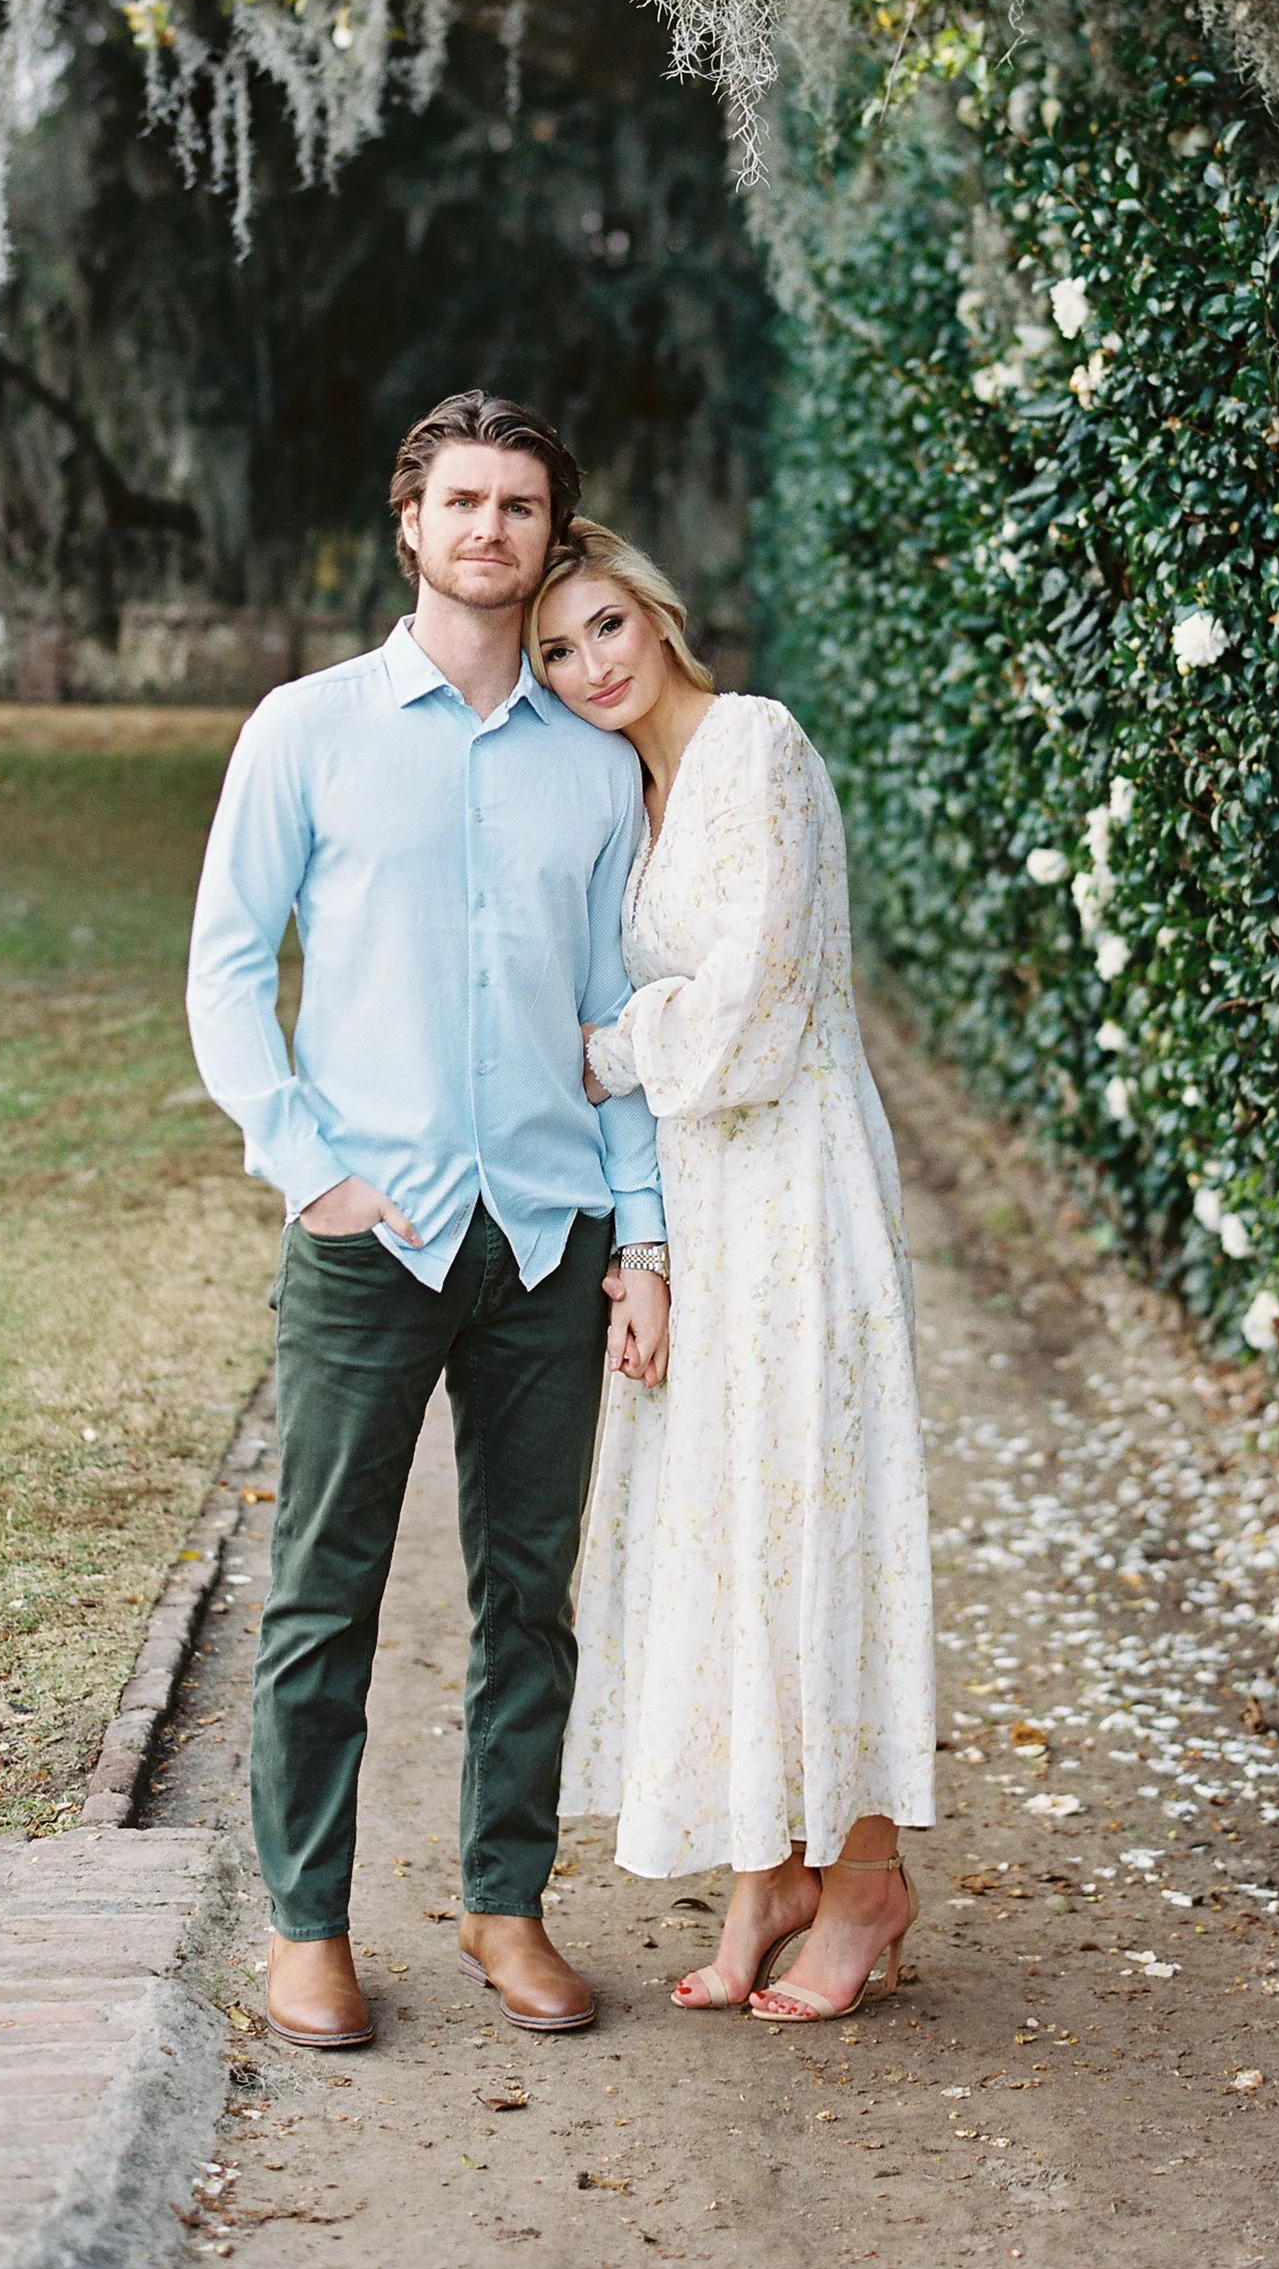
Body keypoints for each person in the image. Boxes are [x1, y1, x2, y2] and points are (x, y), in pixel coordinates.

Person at [186, 395, 673, 2050]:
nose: (490, 529)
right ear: (411, 524)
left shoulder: (595, 770)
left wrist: (645, 1233)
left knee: (528, 1594)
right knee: (324, 1589)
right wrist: (303, 1163)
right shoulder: (305, 730)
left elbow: (619, 1024)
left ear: (552, 536)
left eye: (521, 506)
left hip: (548, 1240)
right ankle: (308, 1927)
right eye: (462, 501)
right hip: (367, 1235)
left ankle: (502, 1905)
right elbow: (228, 969)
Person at [532, 521, 935, 2022]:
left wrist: (594, 1054)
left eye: (606, 629)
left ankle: (869, 1876)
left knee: (811, 1510)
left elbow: (753, 1007)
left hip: (797, 1183)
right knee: (722, 1520)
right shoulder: (628, 796)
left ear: (658, 611)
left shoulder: (758, 745)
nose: (589, 668)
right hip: (700, 1203)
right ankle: (770, 1866)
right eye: (557, 651)